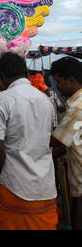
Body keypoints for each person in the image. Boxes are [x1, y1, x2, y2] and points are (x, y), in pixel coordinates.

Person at [0, 53, 58, 231]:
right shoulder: (46, 101)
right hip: (45, 185)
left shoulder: (1, 100)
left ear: (3, 76)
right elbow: (48, 138)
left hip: (15, 185)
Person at [50, 57, 82, 231]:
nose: (58, 87)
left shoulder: (78, 106)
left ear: (72, 80)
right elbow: (69, 143)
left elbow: (56, 141)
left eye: (59, 82)